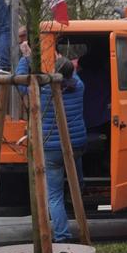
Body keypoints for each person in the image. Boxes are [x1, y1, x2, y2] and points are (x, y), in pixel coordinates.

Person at [16, 54, 87, 243]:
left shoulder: (43, 91)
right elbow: (71, 74)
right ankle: (78, 192)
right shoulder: (79, 86)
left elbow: (21, 83)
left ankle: (62, 236)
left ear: (54, 72)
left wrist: (25, 58)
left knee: (54, 196)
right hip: (76, 145)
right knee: (75, 184)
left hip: (52, 149)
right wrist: (63, 59)